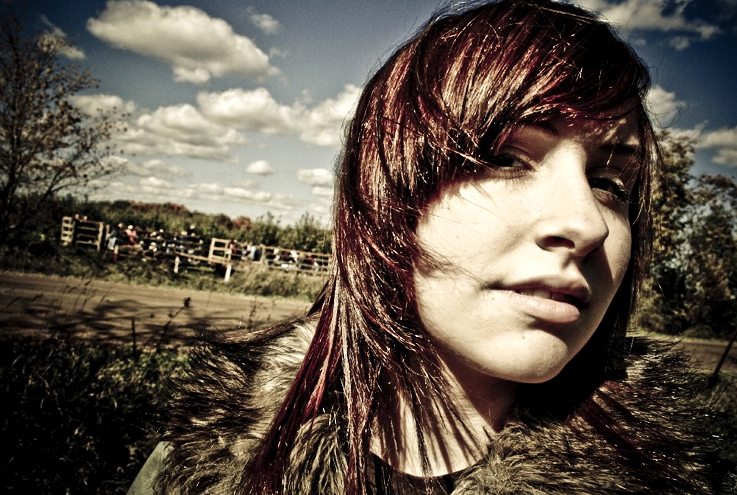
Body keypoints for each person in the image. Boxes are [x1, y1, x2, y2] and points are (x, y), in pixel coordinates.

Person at [128, 1, 733, 494]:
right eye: (504, 158)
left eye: (609, 184)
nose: (587, 224)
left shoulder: (684, 475)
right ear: (388, 199)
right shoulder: (209, 458)